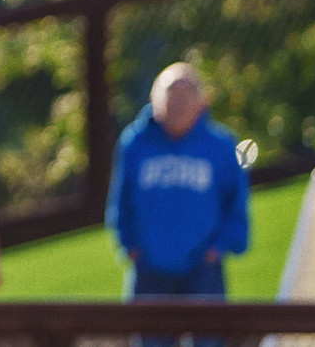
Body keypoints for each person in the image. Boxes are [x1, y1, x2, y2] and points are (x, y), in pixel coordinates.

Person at [106, 63, 248, 347]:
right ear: (153, 100)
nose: (179, 101)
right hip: (149, 269)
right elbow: (120, 203)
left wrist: (217, 249)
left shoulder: (221, 146)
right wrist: (130, 245)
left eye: (188, 93)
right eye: (171, 92)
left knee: (209, 341)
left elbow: (236, 208)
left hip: (203, 270)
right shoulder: (135, 143)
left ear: (202, 102)